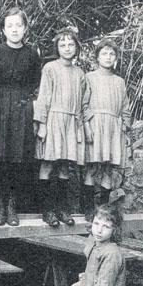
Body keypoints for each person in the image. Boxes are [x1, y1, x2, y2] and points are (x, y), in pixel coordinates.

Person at [0, 7, 41, 226]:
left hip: (21, 109)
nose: (14, 30)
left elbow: (36, 86)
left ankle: (12, 205)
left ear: (25, 28)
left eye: (19, 25)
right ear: (3, 29)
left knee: (18, 159)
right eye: (10, 25)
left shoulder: (32, 54)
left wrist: (29, 110)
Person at [43, 203, 128, 286]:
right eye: (96, 223)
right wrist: (82, 283)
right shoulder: (95, 242)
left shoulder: (111, 254)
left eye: (106, 227)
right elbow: (94, 272)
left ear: (114, 230)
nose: (99, 230)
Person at [34, 28, 87, 228]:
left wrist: (80, 128)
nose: (67, 48)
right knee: (48, 164)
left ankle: (62, 210)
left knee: (65, 166)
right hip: (53, 119)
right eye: (62, 45)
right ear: (57, 47)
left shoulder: (80, 73)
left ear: (77, 48)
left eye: (71, 44)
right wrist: (42, 124)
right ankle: (47, 211)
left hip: (71, 123)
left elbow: (82, 103)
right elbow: (44, 97)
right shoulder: (50, 68)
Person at [81, 39, 132, 220]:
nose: (108, 57)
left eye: (111, 54)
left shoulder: (119, 81)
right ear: (97, 57)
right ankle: (87, 208)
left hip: (113, 128)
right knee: (92, 168)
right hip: (96, 126)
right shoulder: (89, 77)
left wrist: (125, 128)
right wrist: (87, 125)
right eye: (104, 53)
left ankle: (102, 208)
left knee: (109, 169)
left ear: (116, 58)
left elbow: (125, 108)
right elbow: (84, 104)